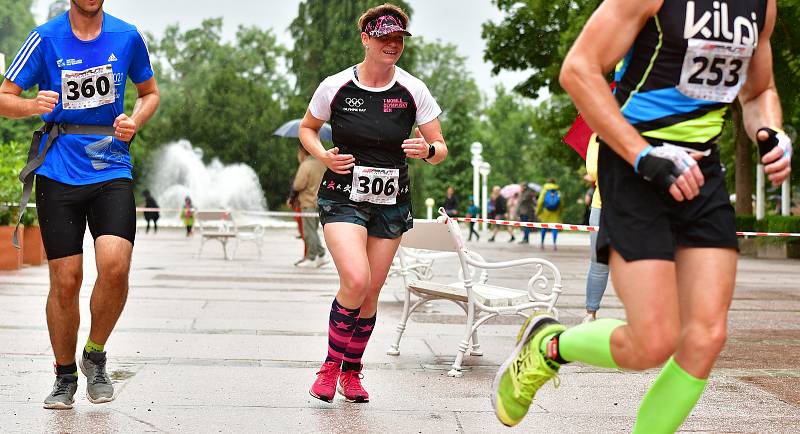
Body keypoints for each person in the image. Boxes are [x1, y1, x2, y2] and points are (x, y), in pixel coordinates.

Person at [493, 1, 792, 433]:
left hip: (701, 171)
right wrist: (643, 155)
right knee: (653, 342)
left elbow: (758, 91)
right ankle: (549, 346)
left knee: (706, 337)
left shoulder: (761, 4)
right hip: (635, 162)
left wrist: (771, 132)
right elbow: (578, 70)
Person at [0, 0, 159, 409]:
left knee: (115, 265)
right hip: (58, 173)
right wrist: (31, 106)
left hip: (110, 165)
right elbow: (4, 97)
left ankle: (96, 354)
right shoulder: (44, 38)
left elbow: (150, 93)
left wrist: (135, 120)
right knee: (65, 281)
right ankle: (64, 375)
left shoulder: (126, 35)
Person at [298, 3, 447, 403]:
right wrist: (324, 155)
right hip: (343, 195)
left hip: (391, 198)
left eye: (398, 38)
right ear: (366, 39)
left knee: (371, 291)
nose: (392, 44)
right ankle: (329, 366)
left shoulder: (413, 90)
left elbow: (440, 147)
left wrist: (426, 149)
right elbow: (307, 129)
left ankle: (353, 371)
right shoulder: (336, 86)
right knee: (356, 279)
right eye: (384, 37)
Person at [583, 134, 609, 323]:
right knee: (599, 262)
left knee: (637, 262)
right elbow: (593, 170)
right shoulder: (598, 133)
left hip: (637, 206)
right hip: (602, 205)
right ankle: (590, 313)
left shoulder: (643, 125)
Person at [292, 145, 328, 268]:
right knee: (314, 230)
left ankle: (314, 255)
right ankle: (319, 254)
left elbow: (298, 185)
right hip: (320, 202)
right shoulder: (322, 164)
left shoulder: (305, 165)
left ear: (302, 152)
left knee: (309, 231)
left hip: (308, 202)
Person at [535, 178, 563, 250]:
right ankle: (554, 244)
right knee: (554, 228)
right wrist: (560, 212)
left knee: (544, 227)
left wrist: (537, 212)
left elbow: (540, 202)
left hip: (545, 212)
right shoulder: (558, 191)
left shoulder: (544, 190)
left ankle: (542, 243)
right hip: (555, 212)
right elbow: (561, 203)